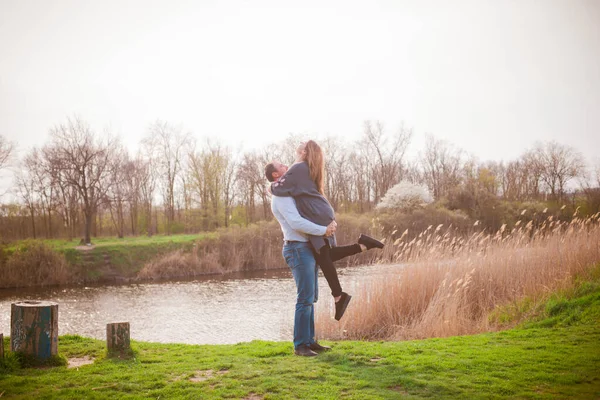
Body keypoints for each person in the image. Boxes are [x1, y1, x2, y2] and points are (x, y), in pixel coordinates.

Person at [265, 140, 384, 321]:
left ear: (304, 152)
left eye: (302, 144)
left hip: (316, 213)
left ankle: (338, 295)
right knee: (325, 254)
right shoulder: (308, 167)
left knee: (323, 255)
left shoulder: (298, 168)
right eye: (281, 165)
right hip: (320, 211)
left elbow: (278, 186)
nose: (285, 165)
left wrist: (270, 187)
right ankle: (361, 247)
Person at [268, 161, 337, 356]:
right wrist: (323, 230)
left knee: (311, 297)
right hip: (296, 248)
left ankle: (310, 341)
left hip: (307, 247)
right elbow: (296, 223)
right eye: (281, 165)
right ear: (275, 175)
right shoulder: (280, 198)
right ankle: (300, 346)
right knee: (304, 298)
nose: (286, 165)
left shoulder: (289, 192)